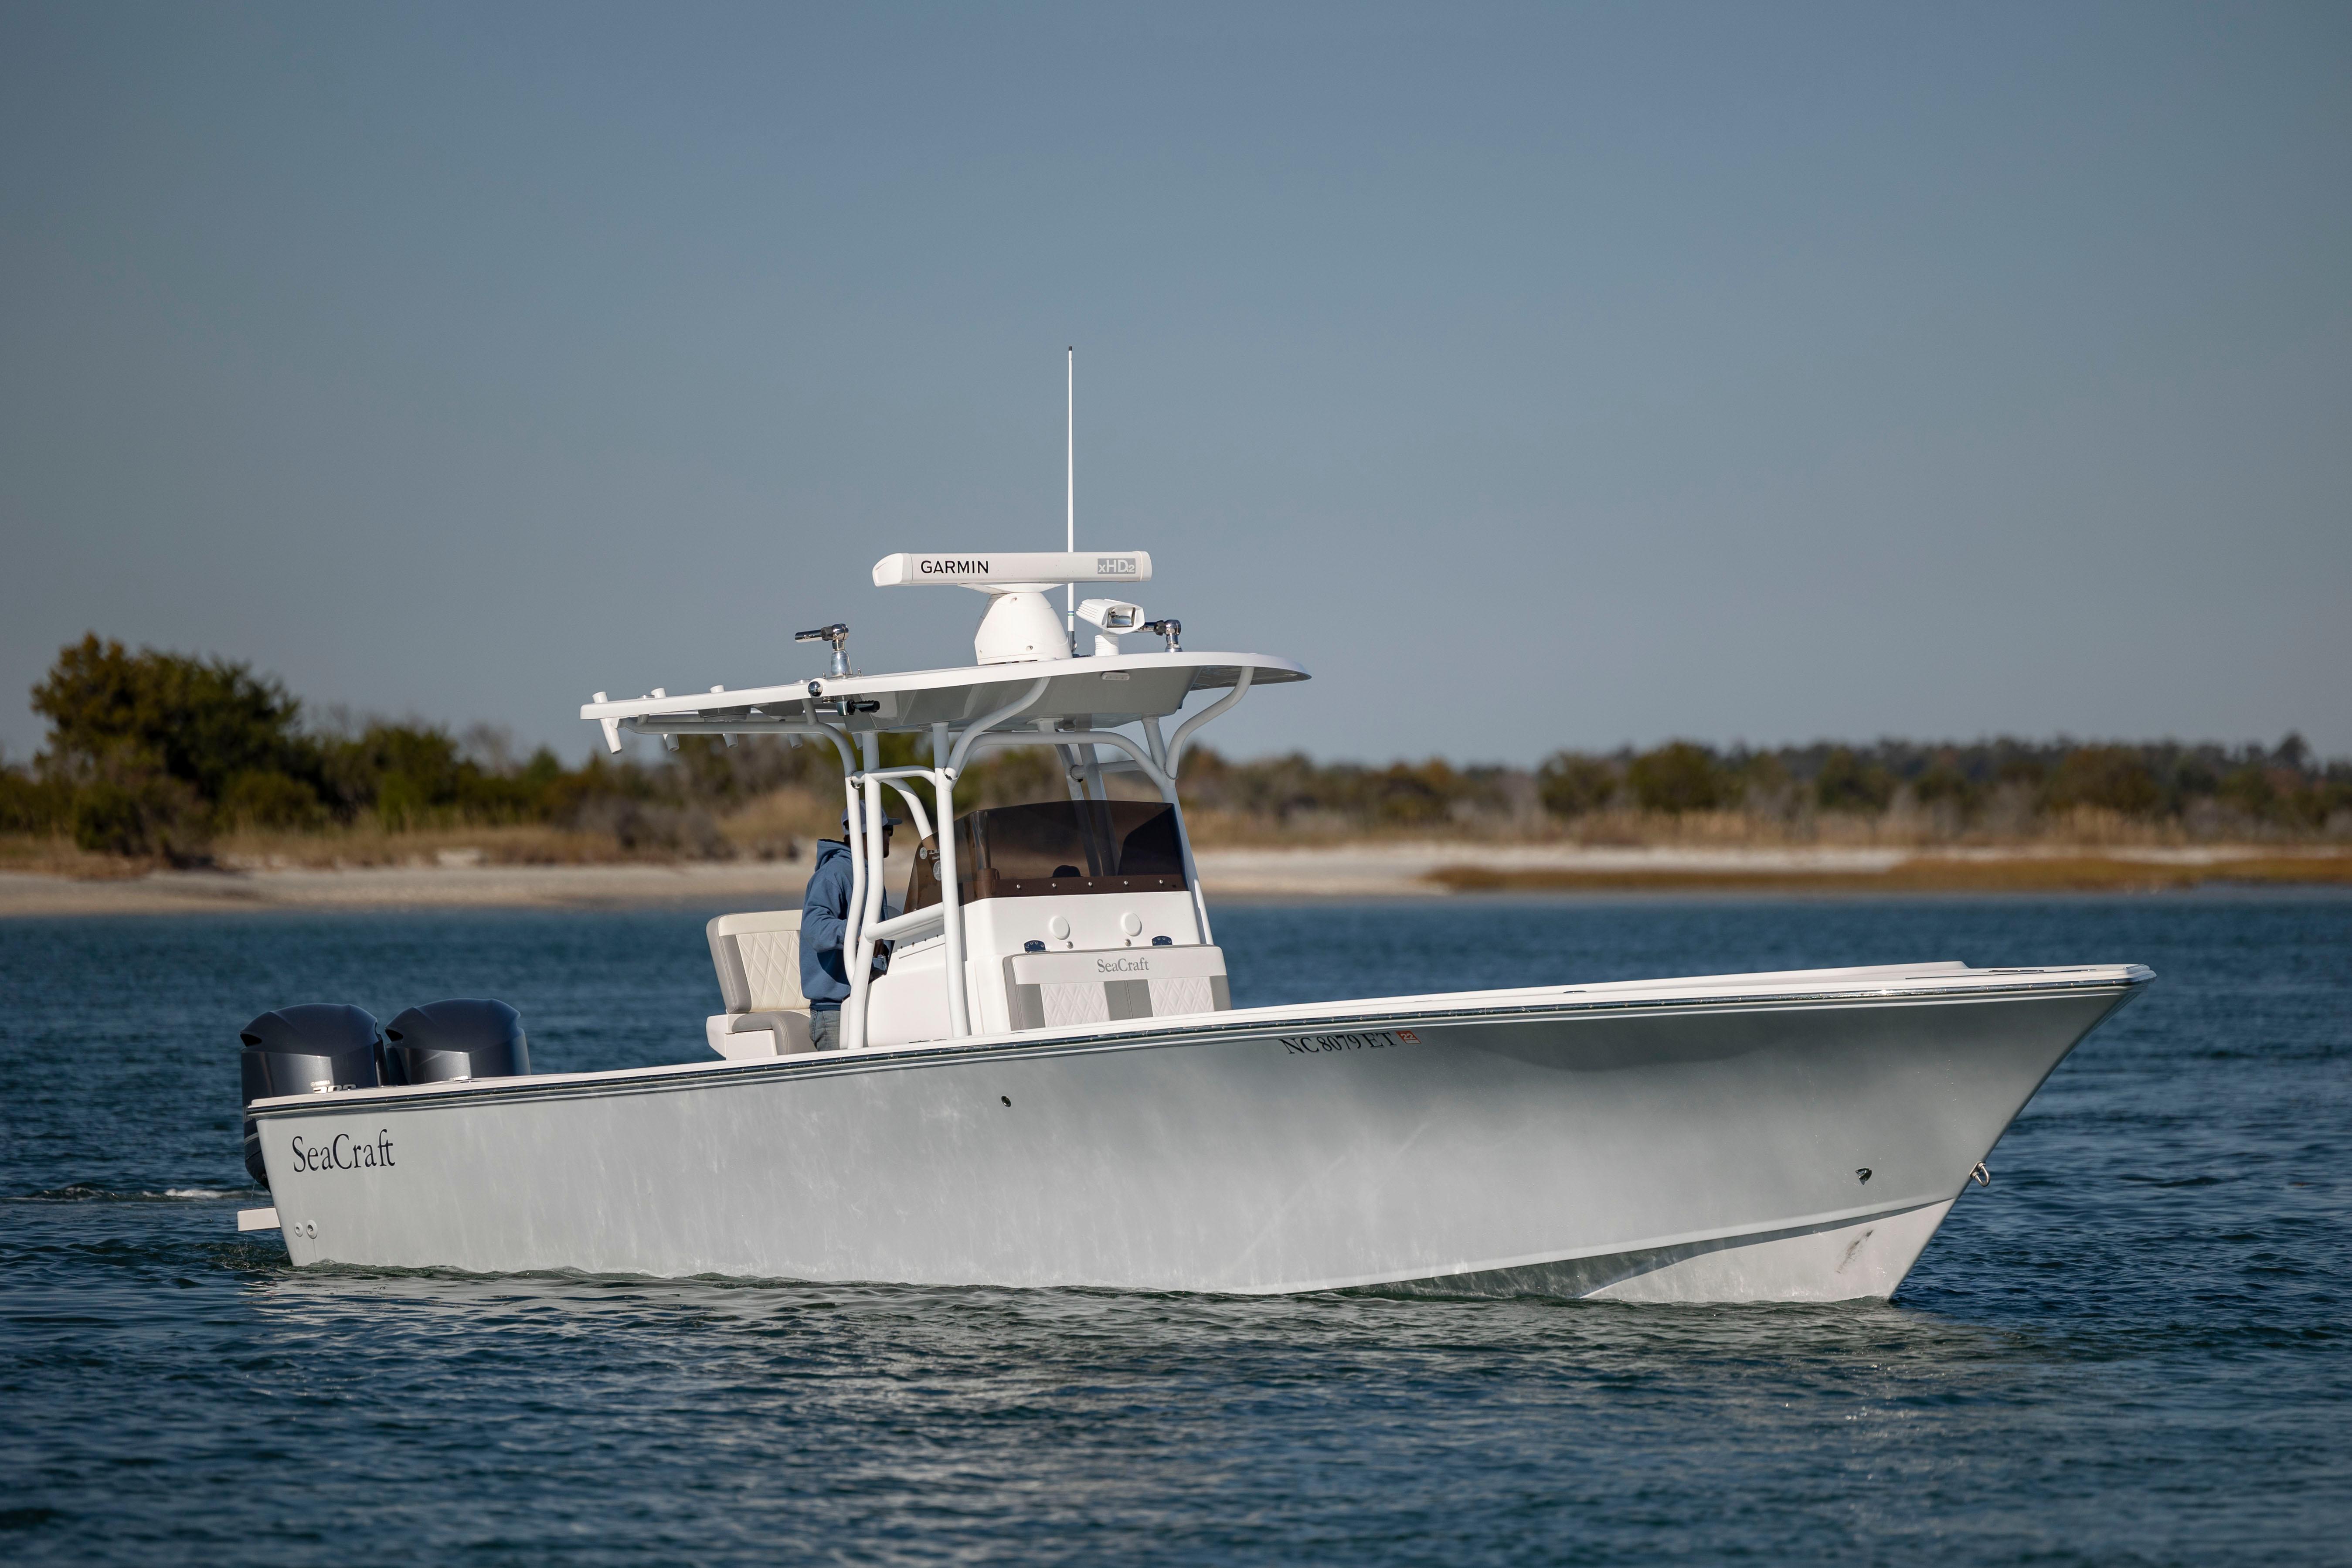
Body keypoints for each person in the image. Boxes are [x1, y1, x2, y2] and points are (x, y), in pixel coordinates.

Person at [802, 805, 901, 1051]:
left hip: (863, 1004)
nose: (890, 837)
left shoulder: (866, 873)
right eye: (888, 830)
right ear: (869, 836)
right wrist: (859, 934)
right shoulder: (835, 873)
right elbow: (814, 926)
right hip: (836, 1012)